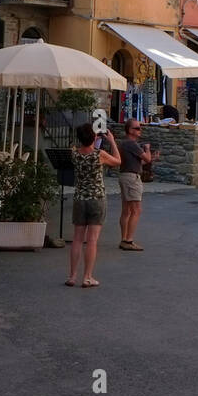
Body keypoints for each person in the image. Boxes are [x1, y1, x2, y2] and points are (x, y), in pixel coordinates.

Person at [68, 124, 120, 288]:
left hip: (79, 198)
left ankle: (72, 275)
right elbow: (118, 161)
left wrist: (90, 139)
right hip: (96, 198)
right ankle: (87, 276)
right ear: (93, 137)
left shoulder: (75, 155)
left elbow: (78, 147)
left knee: (77, 239)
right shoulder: (99, 154)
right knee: (92, 240)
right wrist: (112, 141)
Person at [116, 120, 153, 251]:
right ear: (130, 130)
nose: (140, 130)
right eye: (137, 128)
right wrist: (147, 149)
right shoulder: (131, 144)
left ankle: (124, 238)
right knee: (136, 210)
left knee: (126, 210)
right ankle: (128, 240)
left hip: (126, 175)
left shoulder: (124, 144)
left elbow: (137, 163)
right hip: (132, 178)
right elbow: (147, 159)